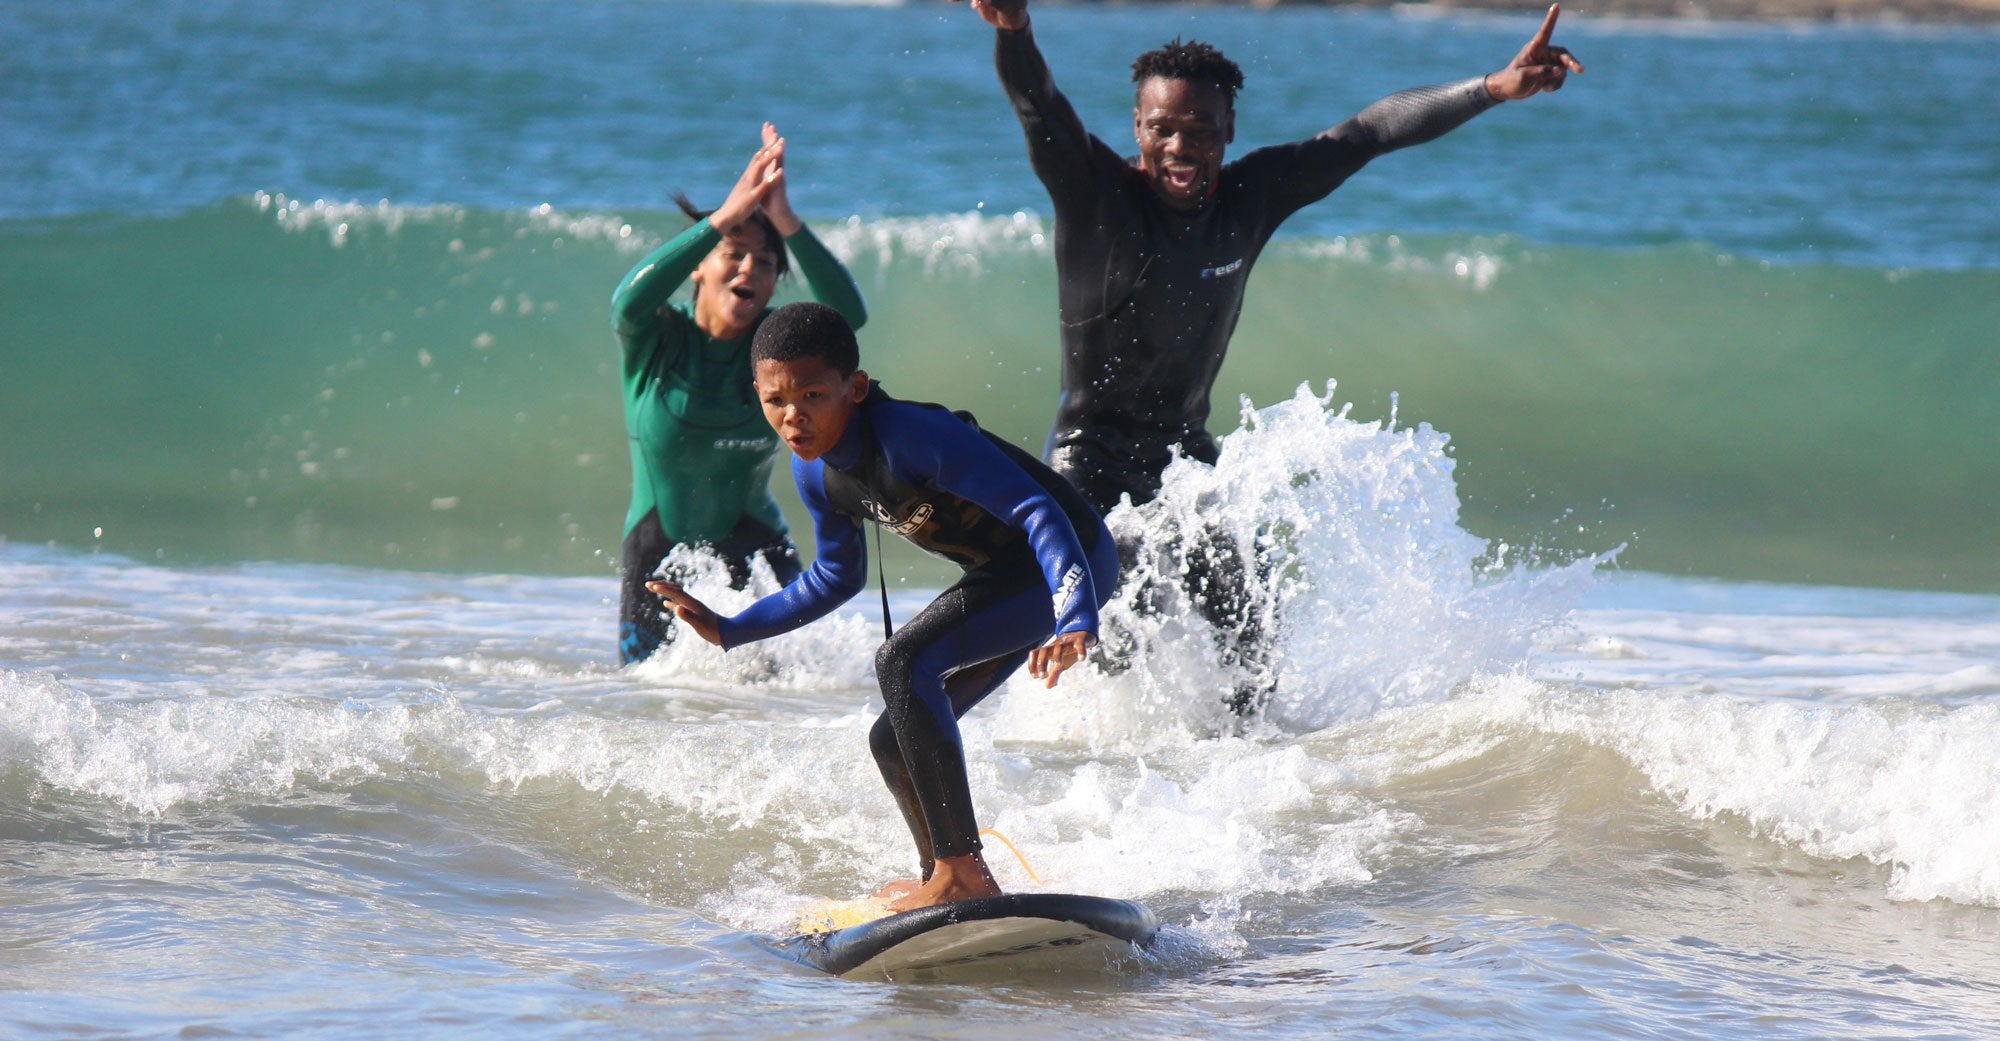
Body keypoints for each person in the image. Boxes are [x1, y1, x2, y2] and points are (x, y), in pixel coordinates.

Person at [964, 0, 1584, 712]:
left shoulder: (1250, 199)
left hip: (1184, 460)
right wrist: (1015, 32)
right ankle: (1097, 775)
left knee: (1250, 636)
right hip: (1089, 460)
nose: (1180, 146)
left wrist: (1490, 88)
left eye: (1200, 129)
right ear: (1138, 129)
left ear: (1228, 131)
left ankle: (1251, 773)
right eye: (1162, 128)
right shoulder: (1097, 195)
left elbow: (1367, 133)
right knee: (1109, 640)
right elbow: (1039, 106)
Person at [648, 302, 1119, 912]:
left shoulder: (915, 436)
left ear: (856, 388)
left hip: (1068, 562)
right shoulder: (816, 473)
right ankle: (945, 876)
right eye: (775, 401)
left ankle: (959, 875)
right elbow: (834, 577)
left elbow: (1037, 510)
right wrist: (733, 627)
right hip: (1006, 578)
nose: (794, 416)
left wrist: (1074, 612)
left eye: (814, 394)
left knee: (902, 660)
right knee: (892, 738)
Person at [611, 124, 869, 665]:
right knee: (652, 704)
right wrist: (725, 216)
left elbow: (850, 317)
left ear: (776, 283)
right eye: (733, 252)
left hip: (758, 549)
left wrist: (785, 219)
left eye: (767, 262)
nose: (750, 267)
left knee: (795, 700)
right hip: (661, 553)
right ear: (699, 269)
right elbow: (626, 301)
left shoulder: (773, 347)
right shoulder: (659, 337)